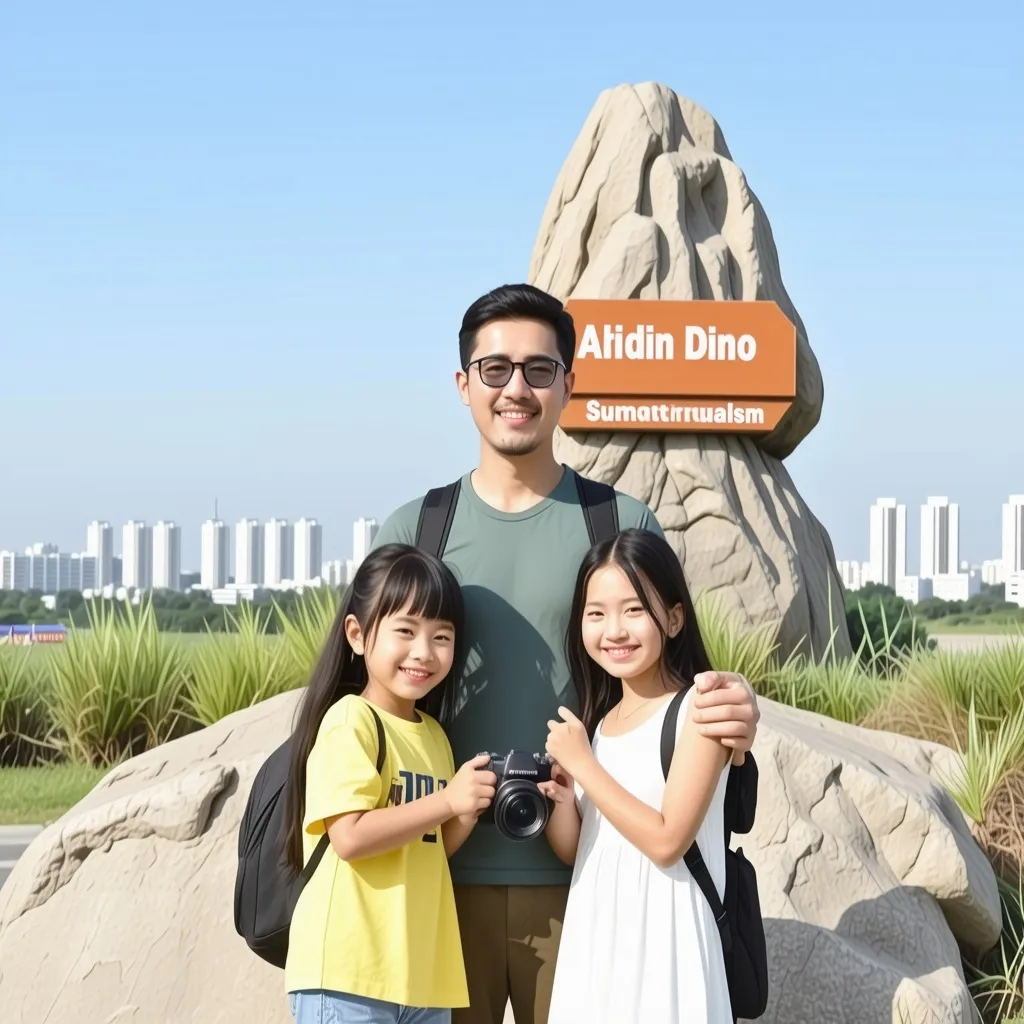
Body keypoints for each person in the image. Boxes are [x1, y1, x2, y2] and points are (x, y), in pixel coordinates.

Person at [369, 283, 761, 1024]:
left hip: (586, 880)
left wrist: (735, 705)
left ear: (569, 384)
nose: (517, 388)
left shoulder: (617, 522)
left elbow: (672, 673)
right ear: (463, 385)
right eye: (495, 369)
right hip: (438, 877)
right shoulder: (415, 530)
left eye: (539, 369)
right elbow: (365, 697)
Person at [283, 543, 499, 1024]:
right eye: (405, 631)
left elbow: (428, 847)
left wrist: (462, 814)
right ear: (357, 635)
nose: (424, 652)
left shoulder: (436, 735)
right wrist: (445, 800)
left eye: (442, 637)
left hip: (421, 977)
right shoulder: (351, 721)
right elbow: (351, 837)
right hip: (349, 973)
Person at [540, 528, 736, 1023]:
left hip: (667, 938)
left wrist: (585, 766)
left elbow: (668, 839)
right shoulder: (600, 723)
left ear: (673, 619)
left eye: (634, 610)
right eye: (596, 613)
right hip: (597, 937)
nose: (614, 631)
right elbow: (581, 850)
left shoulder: (698, 710)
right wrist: (563, 796)